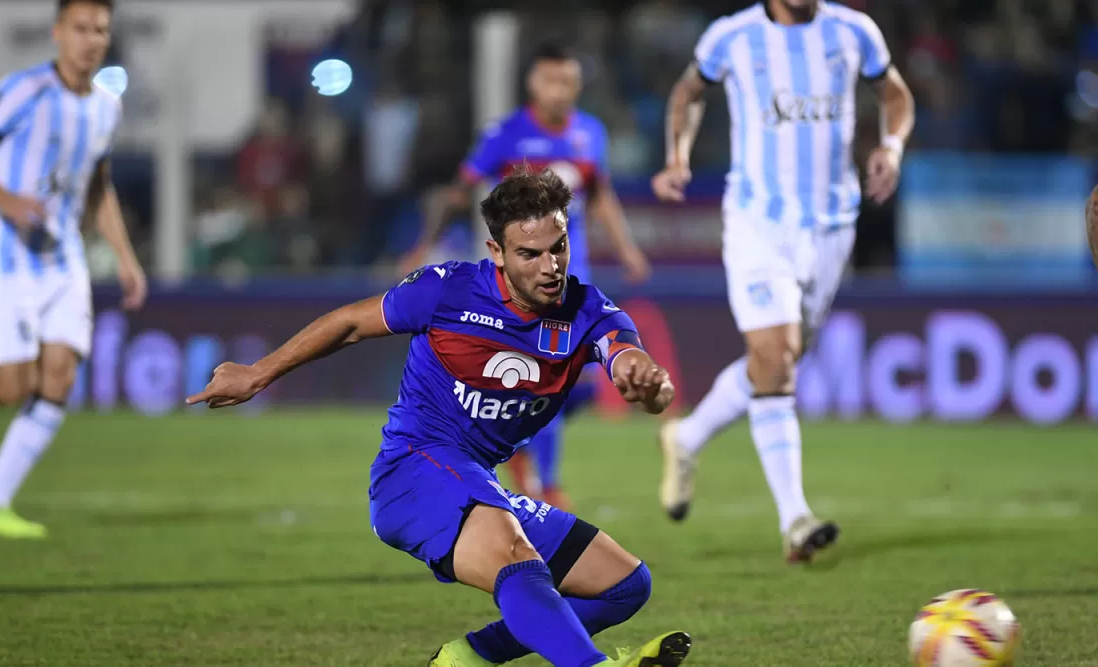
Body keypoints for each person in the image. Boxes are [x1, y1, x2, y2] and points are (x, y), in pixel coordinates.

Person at [189, 168, 691, 667]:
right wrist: (258, 373)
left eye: (558, 247)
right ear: (496, 252)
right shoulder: (447, 290)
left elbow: (634, 366)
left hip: (477, 483)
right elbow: (347, 325)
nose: (550, 267)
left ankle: (467, 658)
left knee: (623, 586)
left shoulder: (589, 313)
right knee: (519, 561)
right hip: (412, 473)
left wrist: (649, 383)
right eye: (529, 253)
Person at [652, 0, 914, 562]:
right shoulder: (732, 37)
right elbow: (687, 93)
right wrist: (678, 156)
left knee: (779, 363)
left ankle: (688, 436)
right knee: (776, 353)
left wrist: (891, 147)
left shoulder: (854, 31)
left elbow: (895, 94)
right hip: (758, 223)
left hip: (832, 227)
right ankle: (795, 518)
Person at [0, 0, 147, 538]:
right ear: (58, 33)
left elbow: (97, 186)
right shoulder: (26, 89)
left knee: (60, 374)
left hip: (62, 257)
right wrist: (4, 199)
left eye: (101, 30)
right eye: (81, 28)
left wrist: (127, 258)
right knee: (14, 385)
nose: (91, 39)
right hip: (4, 256)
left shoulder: (106, 107)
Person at [398, 42, 653, 511]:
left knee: (583, 386)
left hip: (573, 276)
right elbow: (460, 191)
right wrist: (422, 244)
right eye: (552, 81)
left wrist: (627, 249)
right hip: (517, 283)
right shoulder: (506, 134)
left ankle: (517, 448)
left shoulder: (590, 134)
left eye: (570, 82)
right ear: (534, 84)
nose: (561, 91)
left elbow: (600, 196)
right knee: (547, 374)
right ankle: (545, 481)